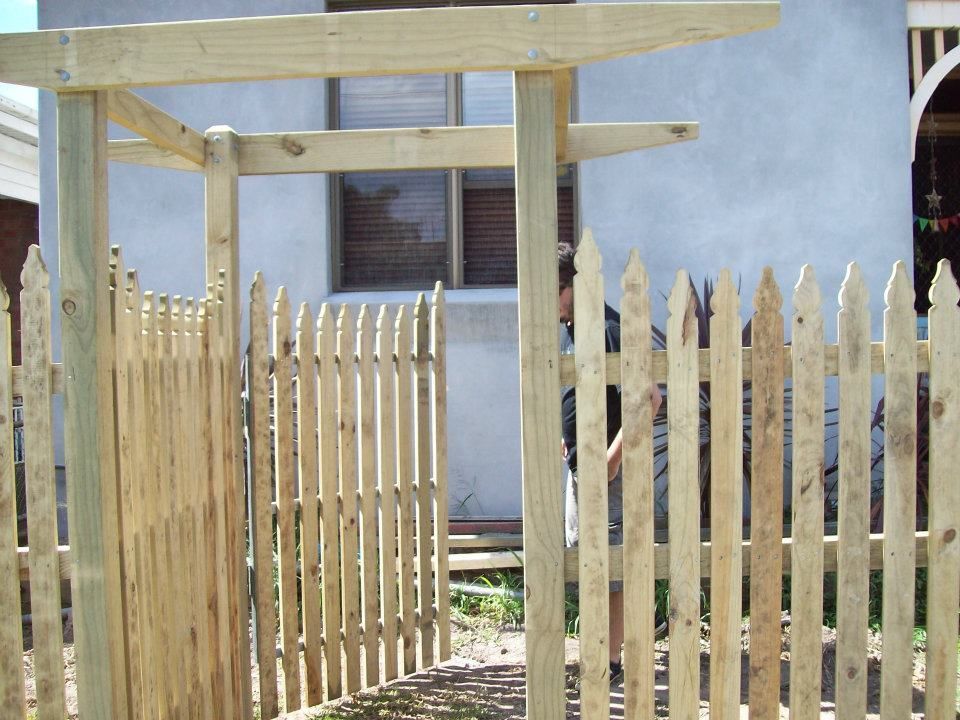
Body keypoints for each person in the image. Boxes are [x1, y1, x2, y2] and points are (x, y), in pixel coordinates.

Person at [558, 241, 662, 687]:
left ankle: (612, 663)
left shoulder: (609, 330)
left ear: (573, 286)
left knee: (612, 571)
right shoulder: (573, 327)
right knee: (587, 564)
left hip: (608, 476)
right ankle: (602, 653)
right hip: (584, 471)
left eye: (553, 289)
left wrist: (612, 460)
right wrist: (572, 443)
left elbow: (649, 398)